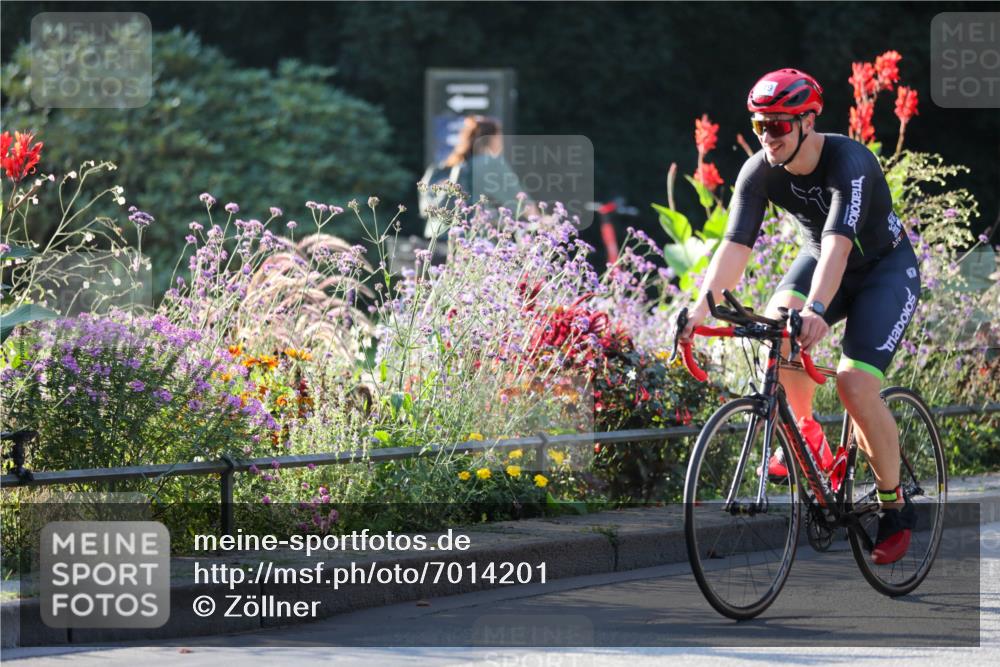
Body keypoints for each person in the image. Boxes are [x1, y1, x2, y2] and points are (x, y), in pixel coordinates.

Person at [679, 68, 921, 565]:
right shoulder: (759, 169)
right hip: (820, 259)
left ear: (809, 121)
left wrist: (815, 310)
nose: (768, 137)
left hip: (881, 270)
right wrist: (700, 308)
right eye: (760, 125)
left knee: (855, 386)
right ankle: (806, 431)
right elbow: (734, 248)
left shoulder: (849, 162)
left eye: (779, 126)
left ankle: (893, 505)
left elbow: (837, 246)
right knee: (775, 324)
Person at [420, 115, 533, 239]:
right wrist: (542, 220)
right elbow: (519, 200)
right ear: (491, 138)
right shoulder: (489, 163)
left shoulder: (448, 164)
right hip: (468, 241)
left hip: (435, 238)